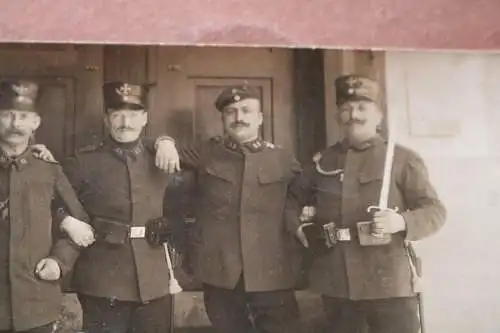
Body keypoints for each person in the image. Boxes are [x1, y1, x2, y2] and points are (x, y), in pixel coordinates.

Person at [292, 75, 447, 333]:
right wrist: (303, 229)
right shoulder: (322, 162)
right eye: (346, 108)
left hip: (388, 284)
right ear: (338, 115)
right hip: (337, 284)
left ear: (379, 116)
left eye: (363, 107)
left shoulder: (401, 159)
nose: (354, 114)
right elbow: (293, 204)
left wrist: (401, 221)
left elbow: (434, 210)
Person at [155, 85, 304, 333]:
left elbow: (301, 202)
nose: (239, 117)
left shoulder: (283, 159)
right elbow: (157, 159)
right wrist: (164, 142)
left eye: (246, 111)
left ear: (260, 118)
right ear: (223, 119)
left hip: (272, 271)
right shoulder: (205, 153)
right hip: (220, 272)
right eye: (231, 112)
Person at [60, 81, 188, 333]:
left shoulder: (163, 158)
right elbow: (56, 203)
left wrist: (165, 141)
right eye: (117, 115)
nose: (125, 123)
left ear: (144, 119)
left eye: (132, 115)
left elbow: (185, 203)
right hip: (102, 278)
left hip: (155, 277)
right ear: (107, 119)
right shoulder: (82, 162)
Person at [0, 80, 90, 333]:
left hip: (36, 302)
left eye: (24, 117)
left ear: (35, 123)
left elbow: (79, 225)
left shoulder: (49, 171)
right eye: (7, 115)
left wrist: (59, 262)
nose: (16, 124)